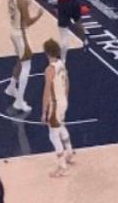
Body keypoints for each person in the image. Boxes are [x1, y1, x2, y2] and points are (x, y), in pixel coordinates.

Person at [5, 0, 43, 112]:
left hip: (13, 32)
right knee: (27, 66)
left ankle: (11, 87)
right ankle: (19, 102)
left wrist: (26, 5)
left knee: (20, 62)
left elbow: (19, 12)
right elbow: (27, 22)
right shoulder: (21, 0)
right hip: (20, 33)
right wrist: (38, 15)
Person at [41, 38, 75, 177]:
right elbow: (67, 82)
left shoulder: (49, 69)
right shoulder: (61, 64)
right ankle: (69, 152)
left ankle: (62, 167)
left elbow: (46, 92)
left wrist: (44, 112)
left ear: (47, 53)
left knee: (53, 135)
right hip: (63, 101)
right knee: (61, 126)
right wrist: (65, 98)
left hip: (55, 105)